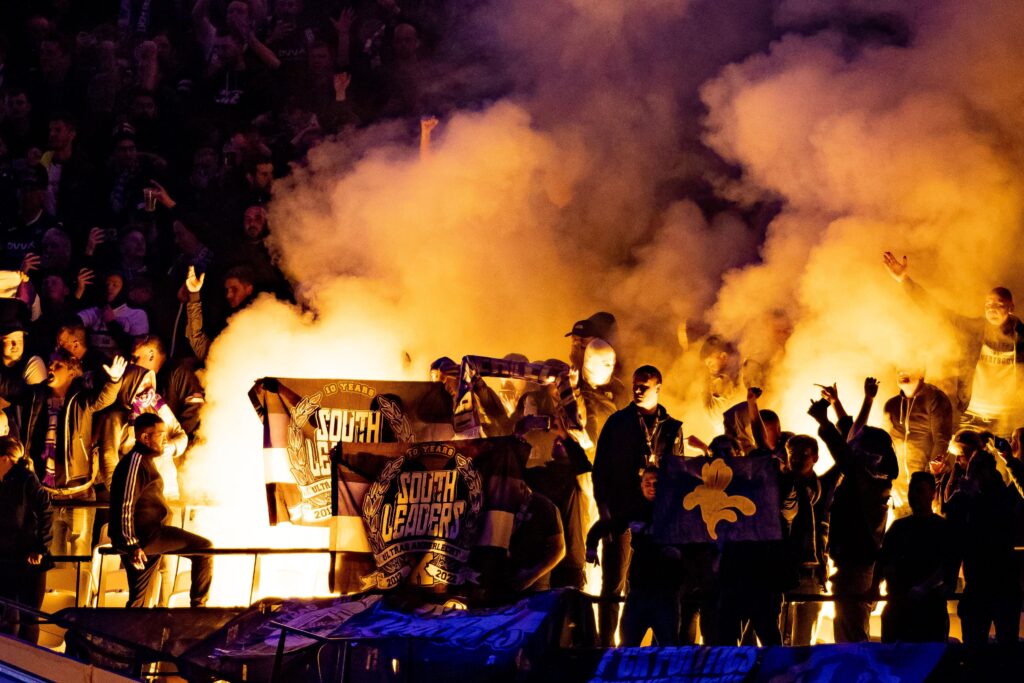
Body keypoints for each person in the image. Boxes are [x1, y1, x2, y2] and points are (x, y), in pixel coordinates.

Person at [884, 252, 1024, 437]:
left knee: (1008, 465)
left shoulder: (1021, 337)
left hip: (1007, 418)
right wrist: (904, 280)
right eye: (988, 304)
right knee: (967, 463)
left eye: (998, 304)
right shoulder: (974, 329)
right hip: (972, 414)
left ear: (1010, 307)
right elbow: (937, 310)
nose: (992, 308)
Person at [592, 365, 683, 647]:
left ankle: (660, 651)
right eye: (635, 384)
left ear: (658, 387)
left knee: (656, 583)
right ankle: (606, 647)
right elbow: (600, 471)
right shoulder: (617, 423)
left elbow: (679, 476)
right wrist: (605, 511)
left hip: (657, 522)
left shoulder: (672, 428)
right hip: (621, 513)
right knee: (613, 583)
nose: (638, 389)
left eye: (644, 385)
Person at [807, 379, 898, 643]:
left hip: (857, 565)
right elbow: (851, 434)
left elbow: (845, 452)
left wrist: (823, 422)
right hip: (854, 563)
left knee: (851, 626)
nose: (855, 448)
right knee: (848, 622)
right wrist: (836, 405)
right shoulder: (874, 476)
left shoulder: (870, 480)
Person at [18, 351, 125, 557]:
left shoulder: (80, 401)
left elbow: (103, 399)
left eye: (58, 365)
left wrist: (114, 380)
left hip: (79, 495)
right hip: (49, 494)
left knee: (79, 556)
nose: (50, 367)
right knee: (54, 556)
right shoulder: (37, 398)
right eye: (50, 362)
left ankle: (82, 589)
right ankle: (56, 590)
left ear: (71, 373)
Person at [109, 413, 212, 608]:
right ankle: (199, 609)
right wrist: (132, 544)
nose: (165, 440)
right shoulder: (136, 462)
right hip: (147, 537)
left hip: (144, 537)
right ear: (145, 437)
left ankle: (121, 635)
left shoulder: (142, 461)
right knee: (204, 549)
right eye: (160, 435)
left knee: (138, 599)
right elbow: (125, 505)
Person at [586, 467, 682, 646]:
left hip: (666, 590)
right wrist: (591, 545)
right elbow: (608, 524)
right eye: (648, 483)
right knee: (628, 645)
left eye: (656, 483)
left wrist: (679, 553)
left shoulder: (676, 511)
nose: (652, 487)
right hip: (639, 590)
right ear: (641, 485)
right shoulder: (635, 510)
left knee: (667, 647)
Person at [944, 445, 1022, 646]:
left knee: (1004, 646)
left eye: (979, 468)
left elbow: (999, 528)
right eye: (972, 467)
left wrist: (969, 497)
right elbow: (952, 529)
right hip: (979, 584)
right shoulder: (968, 497)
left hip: (1001, 583)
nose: (974, 473)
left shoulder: (1003, 497)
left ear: (990, 470)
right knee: (975, 645)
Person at [872, 471, 957, 643]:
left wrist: (924, 588)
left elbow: (947, 565)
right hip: (902, 608)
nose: (913, 495)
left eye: (919, 490)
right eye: (912, 490)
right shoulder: (899, 528)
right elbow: (883, 560)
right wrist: (875, 586)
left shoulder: (940, 529)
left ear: (932, 494)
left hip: (927, 610)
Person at [779, 434, 838, 646]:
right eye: (792, 453)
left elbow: (844, 459)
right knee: (778, 643)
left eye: (804, 454)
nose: (796, 459)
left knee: (804, 645)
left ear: (815, 457)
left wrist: (826, 424)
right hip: (782, 573)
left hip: (812, 575)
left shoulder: (824, 486)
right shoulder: (777, 486)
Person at [0, 435, 52, 644]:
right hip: (5, 559)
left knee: (29, 616)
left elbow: (46, 511)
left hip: (28, 560)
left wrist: (41, 548)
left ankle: (29, 662)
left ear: (4, 459)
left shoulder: (26, 479)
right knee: (7, 614)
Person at [882, 367, 953, 517]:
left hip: (925, 490)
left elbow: (941, 440)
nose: (902, 373)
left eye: (907, 367)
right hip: (898, 491)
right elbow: (885, 444)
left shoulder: (936, 400)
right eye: (899, 369)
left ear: (921, 372)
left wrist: (929, 480)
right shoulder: (891, 406)